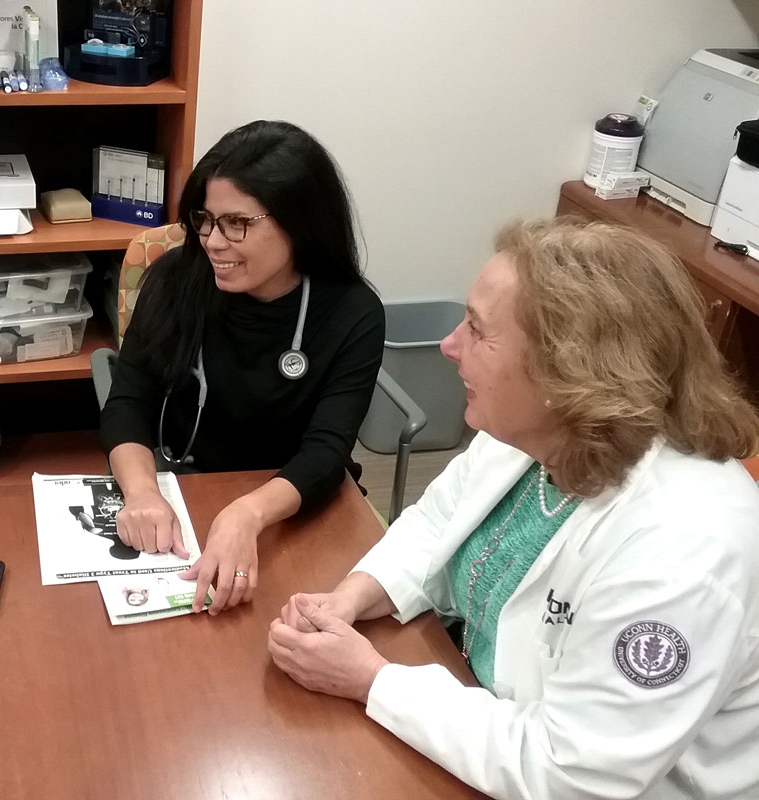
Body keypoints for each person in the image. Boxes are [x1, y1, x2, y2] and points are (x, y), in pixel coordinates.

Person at [267, 218, 759, 799]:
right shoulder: (536, 432)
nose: (449, 346)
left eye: (477, 329)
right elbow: (436, 522)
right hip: (480, 710)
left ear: (567, 369)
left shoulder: (682, 557)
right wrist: (352, 596)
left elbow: (571, 774)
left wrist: (372, 681)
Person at [100, 120, 385, 615]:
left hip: (293, 504)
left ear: (299, 222)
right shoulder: (173, 281)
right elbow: (128, 402)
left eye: (237, 223)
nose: (212, 241)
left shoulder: (353, 312)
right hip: (184, 489)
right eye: (205, 220)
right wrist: (143, 493)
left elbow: (327, 452)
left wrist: (249, 513)